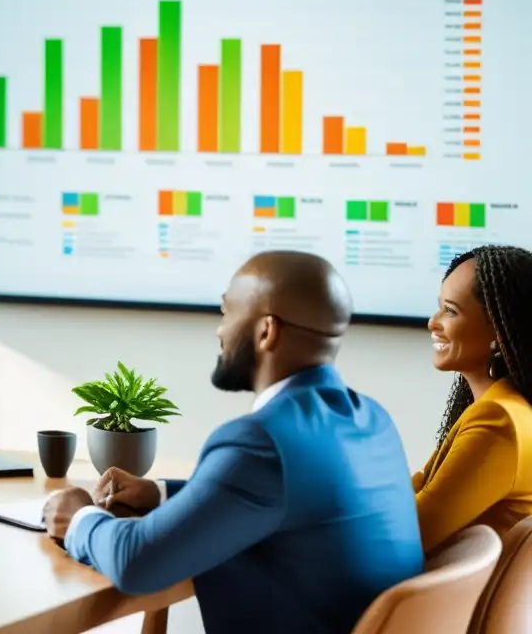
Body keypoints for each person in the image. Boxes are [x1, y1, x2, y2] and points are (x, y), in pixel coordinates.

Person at [43, 250, 423, 634]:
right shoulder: (373, 419)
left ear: (266, 331)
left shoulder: (260, 442)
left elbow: (137, 563)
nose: (219, 330)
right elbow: (284, 500)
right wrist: (159, 493)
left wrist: (78, 518)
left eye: (227, 312)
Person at [415, 245, 532, 553]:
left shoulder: (498, 420)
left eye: (450, 311)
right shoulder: (505, 407)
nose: (433, 322)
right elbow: (420, 488)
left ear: (498, 330)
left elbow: (410, 534)